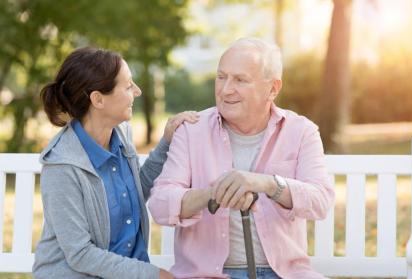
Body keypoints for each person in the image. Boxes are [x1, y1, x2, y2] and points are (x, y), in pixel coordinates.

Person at [148, 38, 335, 279]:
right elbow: (160, 205)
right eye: (221, 77)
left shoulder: (301, 131)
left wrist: (267, 183)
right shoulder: (191, 130)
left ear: (273, 88)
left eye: (240, 80)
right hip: (206, 274)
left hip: (285, 273)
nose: (225, 90)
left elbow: (320, 200)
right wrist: (213, 194)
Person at [33, 46, 199, 279]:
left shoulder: (120, 135)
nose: (138, 91)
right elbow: (80, 254)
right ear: (98, 99)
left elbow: (131, 195)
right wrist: (154, 275)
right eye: (129, 85)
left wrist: (166, 142)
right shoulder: (62, 166)